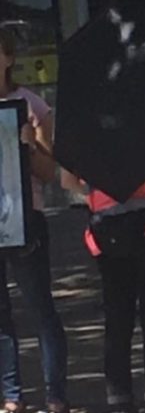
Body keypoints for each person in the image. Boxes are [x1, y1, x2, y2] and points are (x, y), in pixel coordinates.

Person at [62, 165, 145, 413]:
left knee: (117, 317)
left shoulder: (82, 133)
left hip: (108, 230)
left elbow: (67, 181)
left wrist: (94, 194)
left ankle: (119, 398)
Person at [0, 27, 69, 413]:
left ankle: (56, 394)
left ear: (8, 58)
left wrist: (27, 145)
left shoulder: (30, 104)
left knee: (41, 307)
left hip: (27, 218)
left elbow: (48, 171)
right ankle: (12, 396)